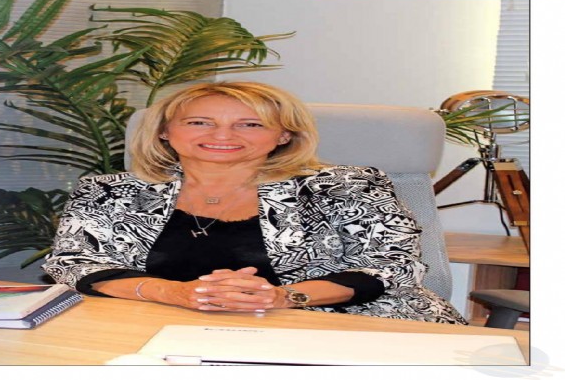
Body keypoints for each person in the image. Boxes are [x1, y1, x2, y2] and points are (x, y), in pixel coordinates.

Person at [42, 82, 467, 324]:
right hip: (165, 329)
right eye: (199, 122)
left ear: (284, 135)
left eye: (250, 124)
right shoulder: (109, 190)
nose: (222, 135)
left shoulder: (347, 185)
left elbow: (392, 267)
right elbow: (75, 264)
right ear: (165, 132)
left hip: (344, 326)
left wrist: (282, 297)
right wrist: (175, 293)